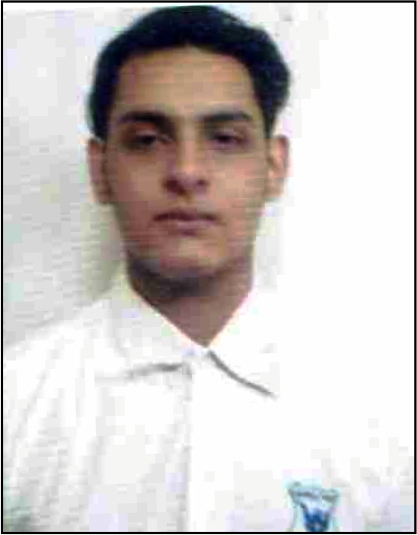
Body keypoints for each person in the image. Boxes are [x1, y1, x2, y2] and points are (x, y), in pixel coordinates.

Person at [4, 6, 413, 533]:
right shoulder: (16, 405)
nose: (187, 171)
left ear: (273, 167)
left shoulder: (380, 417)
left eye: (224, 138)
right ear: (100, 170)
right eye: (148, 140)